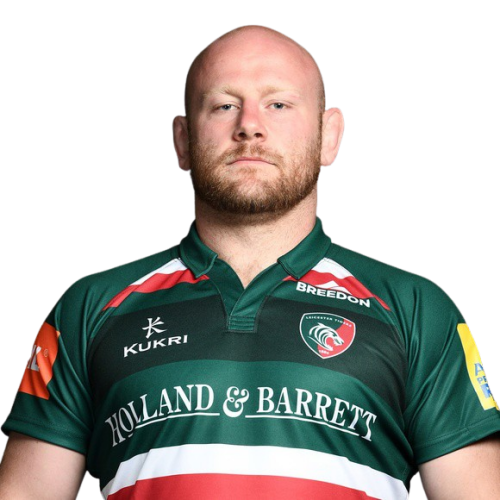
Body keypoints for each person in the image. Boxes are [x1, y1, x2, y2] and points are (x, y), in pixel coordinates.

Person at [1, 24, 499, 500]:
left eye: (278, 104)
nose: (249, 127)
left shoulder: (416, 309)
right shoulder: (88, 307)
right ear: (181, 140)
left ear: (330, 136)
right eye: (224, 105)